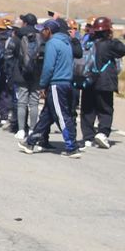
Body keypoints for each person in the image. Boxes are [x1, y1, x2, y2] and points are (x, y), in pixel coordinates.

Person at [19, 19, 81, 158]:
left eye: (43, 30)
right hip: (66, 82)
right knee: (47, 115)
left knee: (62, 116)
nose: (41, 32)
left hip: (57, 83)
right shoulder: (66, 43)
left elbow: (48, 67)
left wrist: (42, 85)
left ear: (49, 31)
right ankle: (30, 142)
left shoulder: (52, 43)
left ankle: (72, 147)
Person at [79, 16, 125, 149]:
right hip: (105, 83)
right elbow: (122, 49)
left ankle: (87, 137)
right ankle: (102, 133)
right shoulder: (110, 44)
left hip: (87, 81)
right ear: (107, 30)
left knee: (87, 109)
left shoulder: (88, 43)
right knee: (105, 109)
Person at [5, 13, 41, 141]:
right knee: (34, 102)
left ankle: (21, 130)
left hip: (20, 74)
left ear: (25, 23)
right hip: (36, 74)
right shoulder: (40, 36)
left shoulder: (17, 36)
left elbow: (8, 55)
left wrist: (11, 71)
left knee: (21, 102)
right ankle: (32, 129)